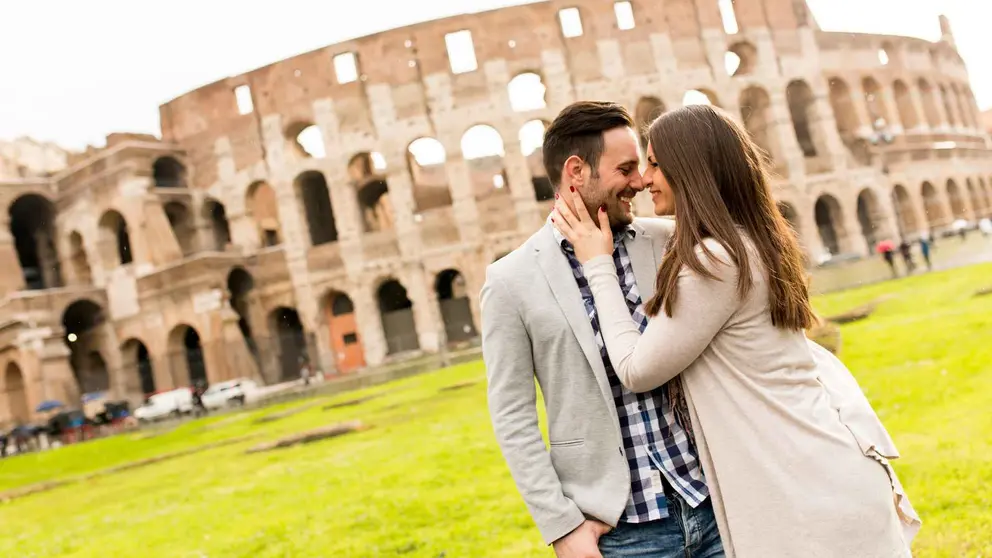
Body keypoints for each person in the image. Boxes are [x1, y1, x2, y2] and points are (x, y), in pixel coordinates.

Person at [552, 104, 920, 557]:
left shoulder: (715, 260)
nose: (645, 179)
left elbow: (635, 369)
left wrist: (597, 263)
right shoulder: (748, 241)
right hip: (817, 469)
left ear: (691, 170)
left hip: (804, 488)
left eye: (655, 164)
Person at [481, 100, 723, 558]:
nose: (640, 181)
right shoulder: (510, 281)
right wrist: (561, 527)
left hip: (715, 503)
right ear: (576, 172)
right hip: (623, 532)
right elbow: (513, 417)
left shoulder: (669, 240)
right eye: (625, 169)